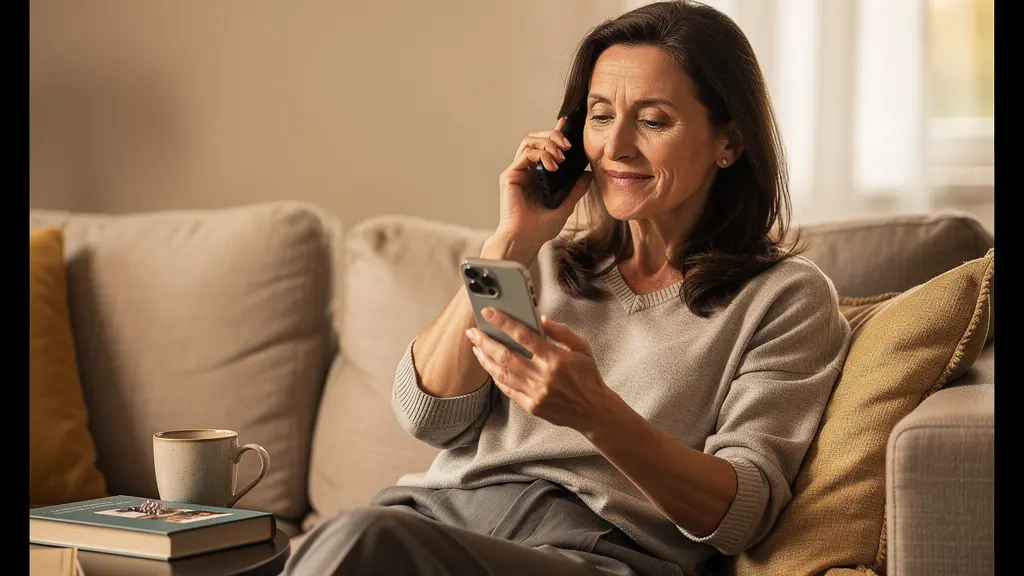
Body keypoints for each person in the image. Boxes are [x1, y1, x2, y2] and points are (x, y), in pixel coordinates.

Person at [285, 1, 851, 575]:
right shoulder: (540, 263)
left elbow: (741, 513)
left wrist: (596, 412)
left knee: (362, 540)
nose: (616, 147)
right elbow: (429, 416)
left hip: (588, 555)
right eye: (601, 116)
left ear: (728, 142)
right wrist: (509, 240)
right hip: (434, 522)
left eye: (653, 121)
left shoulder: (783, 299)